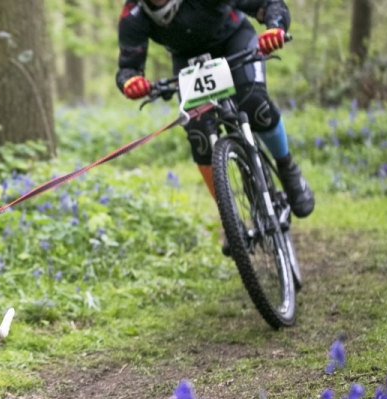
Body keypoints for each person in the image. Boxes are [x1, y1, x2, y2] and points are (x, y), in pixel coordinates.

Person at [116, 0, 315, 231]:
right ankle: (230, 219)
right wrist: (131, 82)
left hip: (235, 41)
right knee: (199, 134)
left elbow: (268, 4)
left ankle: (287, 167)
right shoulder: (133, 15)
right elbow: (128, 68)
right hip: (189, 63)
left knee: (255, 106)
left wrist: (275, 27)